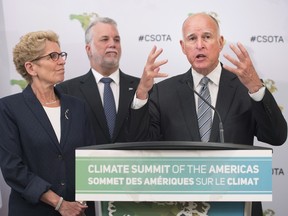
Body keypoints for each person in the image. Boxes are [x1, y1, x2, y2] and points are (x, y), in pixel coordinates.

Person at [129, 13, 287, 215]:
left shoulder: (245, 87)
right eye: (192, 38)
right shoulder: (163, 91)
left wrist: (256, 87)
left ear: (220, 42)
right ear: (182, 46)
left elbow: (277, 136)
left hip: (237, 205)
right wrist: (141, 94)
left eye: (207, 37)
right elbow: (138, 144)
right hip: (180, 207)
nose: (199, 45)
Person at [0, 30, 96, 216]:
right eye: (53, 56)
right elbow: (12, 168)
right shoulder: (9, 108)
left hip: (79, 211)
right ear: (31, 68)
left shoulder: (78, 107)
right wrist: (60, 204)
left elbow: (90, 157)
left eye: (61, 55)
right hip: (32, 211)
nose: (62, 61)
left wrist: (80, 202)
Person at [56, 17, 140, 144]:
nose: (113, 44)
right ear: (88, 49)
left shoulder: (141, 87)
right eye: (105, 39)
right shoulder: (66, 91)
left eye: (116, 40)